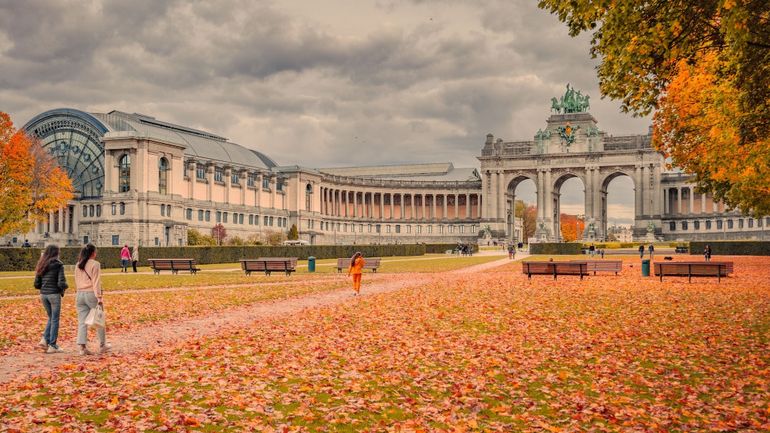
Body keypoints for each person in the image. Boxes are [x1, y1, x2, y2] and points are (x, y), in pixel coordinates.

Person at [74, 244, 109, 355]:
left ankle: (82, 347)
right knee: (99, 319)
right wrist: (99, 297)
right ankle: (103, 345)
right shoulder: (95, 264)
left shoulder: (78, 264)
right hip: (91, 294)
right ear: (93, 253)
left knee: (82, 321)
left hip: (79, 294)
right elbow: (96, 281)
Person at [34, 245, 68, 353]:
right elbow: (61, 282)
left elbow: (36, 283)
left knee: (51, 317)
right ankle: (52, 344)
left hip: (43, 294)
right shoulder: (58, 265)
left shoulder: (41, 264)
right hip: (54, 294)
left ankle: (44, 339)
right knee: (55, 319)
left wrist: (43, 288)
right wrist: (65, 287)